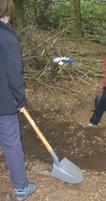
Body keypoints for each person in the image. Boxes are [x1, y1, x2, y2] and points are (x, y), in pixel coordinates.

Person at [0, 0, 37, 200]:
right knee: (11, 142)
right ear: (9, 13)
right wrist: (20, 99)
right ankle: (21, 187)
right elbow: (14, 74)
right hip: (3, 101)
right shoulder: (6, 37)